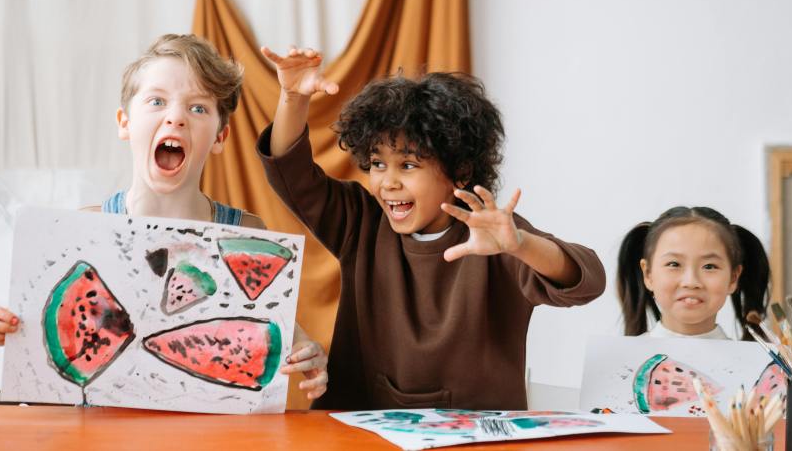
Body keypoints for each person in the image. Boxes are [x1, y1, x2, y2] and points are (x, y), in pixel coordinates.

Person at [0, 34, 328, 399]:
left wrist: (307, 353)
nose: (176, 118)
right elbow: (40, 326)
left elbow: (274, 329)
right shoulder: (83, 229)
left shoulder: (246, 233)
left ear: (221, 137)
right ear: (125, 123)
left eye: (198, 108)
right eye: (157, 101)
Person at [256, 45, 606, 409]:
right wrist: (293, 98)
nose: (388, 182)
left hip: (475, 440)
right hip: (356, 435)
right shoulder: (361, 222)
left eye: (407, 165)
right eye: (377, 163)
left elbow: (587, 280)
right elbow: (290, 173)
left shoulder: (494, 235)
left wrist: (520, 245)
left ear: (461, 170)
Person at [616, 205, 770, 340]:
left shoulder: (761, 368)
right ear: (648, 274)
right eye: (674, 264)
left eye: (709, 266)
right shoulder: (619, 363)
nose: (691, 282)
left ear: (733, 278)